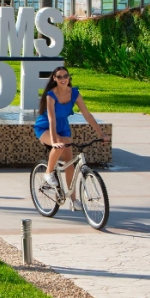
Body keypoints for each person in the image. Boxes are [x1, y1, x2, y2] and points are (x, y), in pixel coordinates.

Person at [33, 66, 109, 211]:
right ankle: (48, 173)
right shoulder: (51, 95)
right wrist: (55, 141)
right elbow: (51, 119)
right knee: (60, 144)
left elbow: (87, 115)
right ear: (54, 79)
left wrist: (101, 134)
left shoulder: (74, 93)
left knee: (70, 163)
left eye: (65, 76)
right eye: (59, 77)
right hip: (45, 127)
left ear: (69, 78)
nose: (63, 79)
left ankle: (74, 200)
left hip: (63, 127)